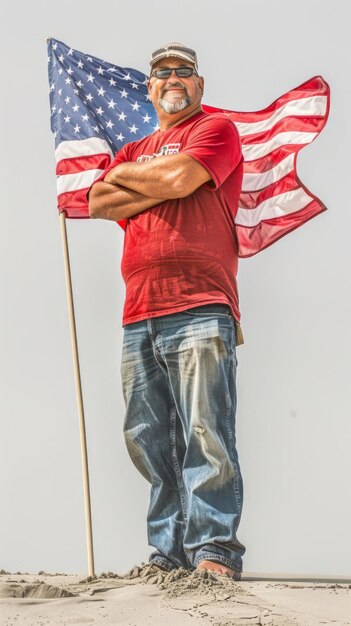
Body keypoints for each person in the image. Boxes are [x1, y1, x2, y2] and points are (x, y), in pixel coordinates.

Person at [88, 42, 246, 580]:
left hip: (201, 302)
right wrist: (163, 180)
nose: (173, 79)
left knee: (206, 431)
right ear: (149, 88)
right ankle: (168, 553)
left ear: (199, 85)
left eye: (184, 72)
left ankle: (214, 551)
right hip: (139, 312)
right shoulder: (135, 147)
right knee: (148, 438)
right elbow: (97, 201)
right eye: (163, 74)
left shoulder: (215, 130)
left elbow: (178, 180)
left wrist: (144, 180)